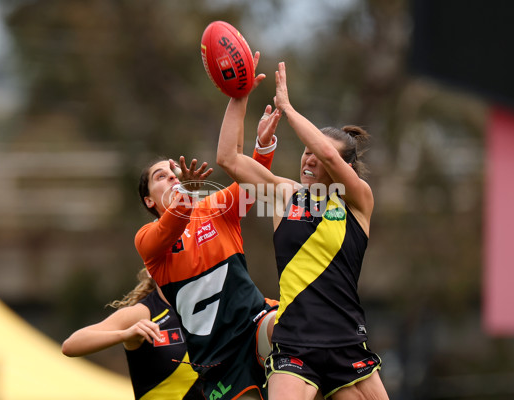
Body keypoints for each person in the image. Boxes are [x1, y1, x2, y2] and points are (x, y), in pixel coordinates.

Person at [216, 61, 389, 400]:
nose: (311, 159)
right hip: (295, 344)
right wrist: (239, 94)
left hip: (347, 345)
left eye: (320, 159)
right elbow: (228, 159)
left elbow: (328, 151)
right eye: (306, 153)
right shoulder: (286, 196)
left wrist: (288, 109)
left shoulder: (356, 200)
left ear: (343, 169)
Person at [134, 51, 279, 400]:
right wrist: (186, 196)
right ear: (149, 201)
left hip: (255, 323)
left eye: (174, 171)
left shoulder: (215, 209)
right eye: (160, 177)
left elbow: (250, 181)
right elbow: (170, 229)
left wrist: (246, 110)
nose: (172, 177)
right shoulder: (147, 240)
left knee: (297, 325)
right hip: (218, 359)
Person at [61, 268, 203, 400]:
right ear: (149, 270)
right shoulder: (143, 314)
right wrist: (125, 335)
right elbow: (70, 346)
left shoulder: (208, 307)